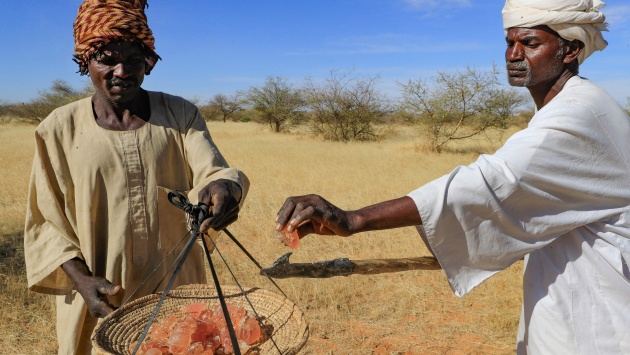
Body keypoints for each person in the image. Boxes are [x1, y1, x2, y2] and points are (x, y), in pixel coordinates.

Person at [275, 0, 630, 353]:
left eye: (531, 44)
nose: (513, 55)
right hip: (569, 298)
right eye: (510, 43)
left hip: (596, 317)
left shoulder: (578, 114)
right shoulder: (571, 105)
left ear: (571, 50)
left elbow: (492, 181)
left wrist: (354, 219)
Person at [23, 1, 249, 354]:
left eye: (132, 59)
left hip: (178, 289)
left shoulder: (180, 114)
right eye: (107, 59)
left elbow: (214, 171)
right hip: (101, 298)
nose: (121, 71)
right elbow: (46, 221)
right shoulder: (57, 129)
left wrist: (224, 186)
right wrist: (81, 281)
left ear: (148, 60)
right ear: (86, 62)